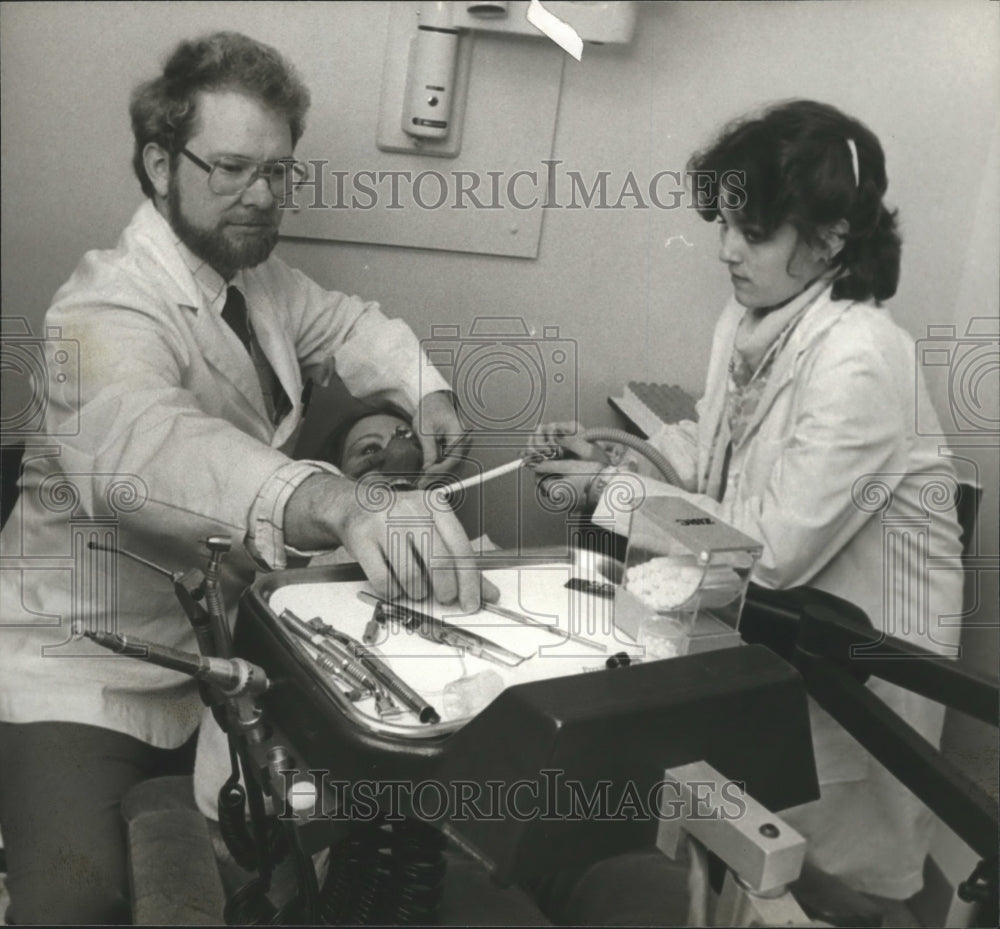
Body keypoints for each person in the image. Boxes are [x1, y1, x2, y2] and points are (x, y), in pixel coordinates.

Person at [0, 32, 495, 925]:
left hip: (220, 657)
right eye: (231, 167)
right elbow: (142, 445)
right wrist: (335, 500)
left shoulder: (257, 281)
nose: (260, 197)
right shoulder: (102, 305)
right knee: (78, 904)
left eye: (277, 171)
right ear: (160, 164)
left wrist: (425, 391)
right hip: (85, 664)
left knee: (291, 878)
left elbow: (350, 323)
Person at [526, 100, 963, 913]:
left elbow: (771, 548)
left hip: (853, 673)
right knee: (731, 857)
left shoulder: (862, 357)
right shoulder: (754, 314)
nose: (726, 249)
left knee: (816, 883)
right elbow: (718, 453)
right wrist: (618, 457)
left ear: (831, 238)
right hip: (774, 637)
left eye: (752, 232)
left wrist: (613, 494)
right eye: (725, 223)